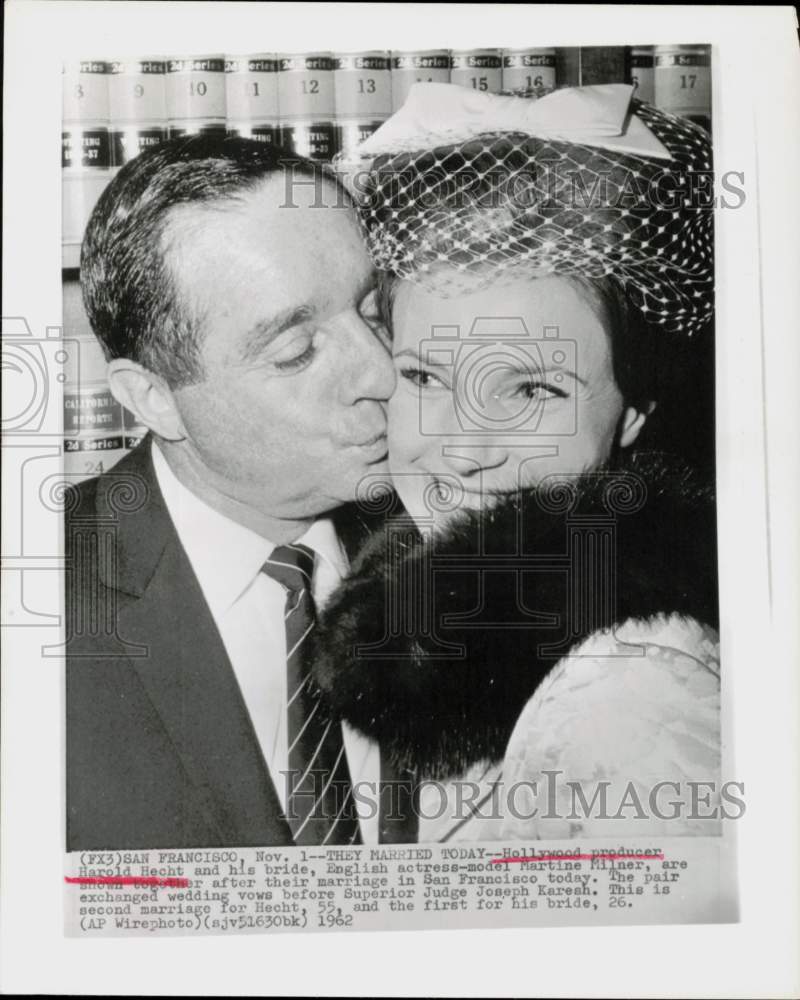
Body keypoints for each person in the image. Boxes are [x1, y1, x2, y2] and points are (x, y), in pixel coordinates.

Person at [311, 83, 721, 841]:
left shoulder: (631, 693)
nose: (465, 450)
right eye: (426, 377)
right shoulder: (420, 610)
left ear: (635, 407)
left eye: (532, 388)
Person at [66, 135, 397, 849]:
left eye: (375, 311)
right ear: (152, 398)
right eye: (295, 352)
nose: (384, 373)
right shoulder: (43, 607)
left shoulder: (463, 529)